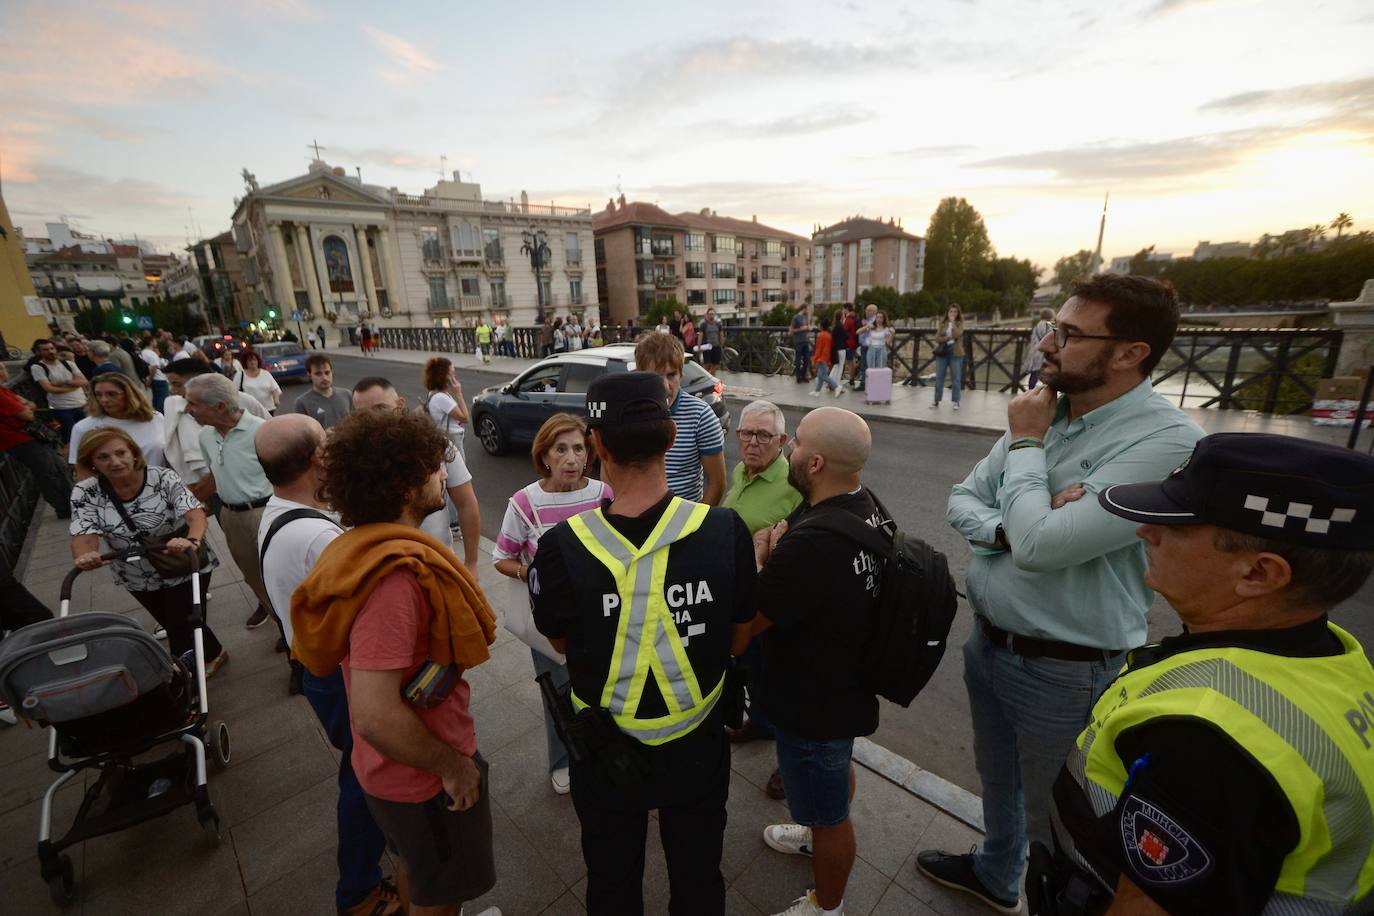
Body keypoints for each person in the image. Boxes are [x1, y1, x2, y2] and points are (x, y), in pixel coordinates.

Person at [918, 274, 1205, 914]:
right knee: (998, 782)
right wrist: (1013, 526)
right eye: (1053, 326)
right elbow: (963, 499)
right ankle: (996, 873)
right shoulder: (1052, 408)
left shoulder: (1163, 441)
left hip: (1065, 669)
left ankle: (1049, 897)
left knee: (1063, 822)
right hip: (989, 644)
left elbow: (1048, 548)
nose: (1047, 343)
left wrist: (1023, 448)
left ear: (1130, 352)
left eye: (1070, 334)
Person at [1034, 433, 1374, 915]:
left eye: (1178, 524)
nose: (1145, 531)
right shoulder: (1335, 657)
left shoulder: (1209, 738)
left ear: (1258, 574)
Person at [531, 371, 757, 915]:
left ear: (597, 444)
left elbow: (559, 641)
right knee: (699, 876)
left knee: (611, 880)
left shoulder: (560, 548)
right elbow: (739, 636)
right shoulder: (727, 531)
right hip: (698, 744)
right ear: (674, 437)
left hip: (604, 750)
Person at [291, 409, 501, 916]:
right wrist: (454, 768)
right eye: (434, 467)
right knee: (440, 896)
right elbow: (375, 714)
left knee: (416, 871)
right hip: (421, 780)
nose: (444, 475)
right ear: (406, 487)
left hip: (391, 774)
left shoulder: (361, 549)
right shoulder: (396, 581)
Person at [253, 414, 403, 916]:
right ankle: (359, 891)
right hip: (338, 676)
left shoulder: (281, 513)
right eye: (326, 441)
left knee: (360, 771)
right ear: (317, 459)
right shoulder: (319, 539)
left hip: (316, 667)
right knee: (364, 776)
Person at [747, 407, 883, 916]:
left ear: (818, 462)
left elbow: (750, 624)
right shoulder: (863, 505)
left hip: (812, 702)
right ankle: (812, 831)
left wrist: (765, 558)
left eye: (796, 443)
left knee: (830, 819)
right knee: (831, 783)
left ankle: (827, 906)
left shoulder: (814, 543)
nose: (789, 450)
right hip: (843, 689)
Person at [492, 413, 612, 795]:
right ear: (544, 455)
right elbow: (501, 557)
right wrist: (531, 575)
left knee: (602, 688)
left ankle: (604, 752)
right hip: (551, 622)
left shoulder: (602, 495)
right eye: (561, 449)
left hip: (602, 615)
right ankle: (563, 760)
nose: (571, 458)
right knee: (559, 694)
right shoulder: (525, 502)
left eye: (578, 448)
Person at [69, 428, 227, 674]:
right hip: (135, 572)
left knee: (179, 628)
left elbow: (196, 515)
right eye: (104, 457)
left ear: (133, 453)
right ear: (92, 462)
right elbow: (83, 532)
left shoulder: (162, 478)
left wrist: (192, 540)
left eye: (121, 453)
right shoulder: (86, 491)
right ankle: (215, 652)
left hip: (180, 561)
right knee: (174, 621)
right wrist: (85, 555)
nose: (115, 462)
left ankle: (187, 682)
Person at [719, 400, 803, 799]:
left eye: (763, 435)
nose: (752, 443)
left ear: (783, 441)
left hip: (771, 609)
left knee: (779, 686)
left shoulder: (795, 486)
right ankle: (760, 725)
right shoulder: (740, 471)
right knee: (752, 673)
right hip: (738, 602)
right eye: (745, 434)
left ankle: (790, 766)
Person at [351, 378, 480, 570]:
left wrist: (472, 563)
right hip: (385, 569)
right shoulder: (351, 461)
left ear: (400, 404)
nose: (374, 419)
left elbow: (466, 503)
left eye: (380, 408)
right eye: (364, 414)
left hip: (439, 565)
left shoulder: (436, 447)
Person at [184, 373, 276, 630]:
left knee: (278, 574)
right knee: (252, 576)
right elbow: (215, 472)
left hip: (266, 513)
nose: (187, 410)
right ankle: (278, 620)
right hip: (230, 516)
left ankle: (296, 634)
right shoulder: (205, 436)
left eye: (193, 403)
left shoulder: (262, 431)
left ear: (220, 406)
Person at [163, 358, 269, 509]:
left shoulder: (243, 401)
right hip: (217, 498)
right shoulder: (173, 407)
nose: (172, 390)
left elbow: (273, 433)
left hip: (259, 502)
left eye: (177, 384)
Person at [634, 332, 726, 505]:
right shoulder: (629, 413)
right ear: (640, 376)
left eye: (671, 375)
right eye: (656, 376)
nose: (665, 385)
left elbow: (717, 484)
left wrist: (696, 525)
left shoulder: (701, 416)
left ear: (681, 375)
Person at [0, 361, 72, 517]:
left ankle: (70, 502)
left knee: (58, 467)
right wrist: (25, 407)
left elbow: (30, 404)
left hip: (28, 437)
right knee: (48, 471)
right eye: (2, 368)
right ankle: (64, 507)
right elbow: (27, 414)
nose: (5, 370)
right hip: (21, 439)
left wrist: (25, 406)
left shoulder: (4, 391)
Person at [68, 373, 166, 472]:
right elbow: (80, 468)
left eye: (112, 394)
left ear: (129, 394)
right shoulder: (84, 427)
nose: (104, 400)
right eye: (98, 394)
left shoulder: (155, 418)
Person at [29, 338, 88, 446]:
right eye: (46, 349)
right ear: (38, 352)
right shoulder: (38, 367)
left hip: (81, 404)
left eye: (52, 348)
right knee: (71, 439)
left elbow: (83, 381)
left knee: (88, 435)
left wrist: (65, 382)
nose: (51, 351)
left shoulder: (68, 364)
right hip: (62, 408)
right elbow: (48, 388)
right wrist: (73, 386)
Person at [423, 357, 469, 460]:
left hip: (447, 438)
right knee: (460, 472)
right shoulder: (441, 398)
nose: (454, 376)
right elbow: (465, 418)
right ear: (443, 376)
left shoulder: (434, 393)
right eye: (452, 373)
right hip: (452, 440)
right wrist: (458, 393)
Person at [294, 354, 353, 429]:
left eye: (327, 373)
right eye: (318, 374)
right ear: (309, 375)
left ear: (332, 372)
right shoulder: (302, 402)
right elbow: (302, 431)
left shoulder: (346, 394)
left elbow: (356, 421)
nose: (324, 378)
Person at [930, 305, 965, 408]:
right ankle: (936, 400)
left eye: (955, 312)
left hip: (956, 353)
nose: (953, 314)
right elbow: (936, 338)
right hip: (943, 353)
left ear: (958, 313)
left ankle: (956, 401)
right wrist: (947, 338)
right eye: (951, 311)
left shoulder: (960, 323)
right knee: (939, 377)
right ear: (947, 313)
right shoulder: (943, 323)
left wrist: (953, 324)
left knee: (956, 378)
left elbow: (958, 334)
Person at [238, 350, 282, 415]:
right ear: (245, 362)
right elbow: (234, 391)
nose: (252, 362)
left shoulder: (266, 374)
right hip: (249, 410)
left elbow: (275, 389)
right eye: (250, 360)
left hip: (268, 409)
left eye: (254, 360)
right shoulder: (240, 375)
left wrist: (276, 399)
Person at [810, 318, 843, 397]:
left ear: (821, 326)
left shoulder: (821, 335)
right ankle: (817, 391)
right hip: (826, 357)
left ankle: (836, 386)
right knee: (821, 374)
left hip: (821, 358)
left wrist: (814, 359)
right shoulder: (828, 335)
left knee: (823, 375)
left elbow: (818, 349)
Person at [1024, 307, 1054, 390]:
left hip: (1035, 351)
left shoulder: (1038, 324)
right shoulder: (1048, 324)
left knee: (1034, 373)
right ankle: (1044, 392)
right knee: (1042, 372)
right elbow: (1050, 337)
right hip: (1042, 352)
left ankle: (1030, 391)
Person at [139, 335, 169, 412]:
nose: (156, 342)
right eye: (154, 341)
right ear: (151, 342)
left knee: (156, 399)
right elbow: (154, 367)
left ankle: (156, 415)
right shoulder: (151, 353)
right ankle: (162, 418)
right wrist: (150, 380)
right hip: (159, 379)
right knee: (162, 401)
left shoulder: (142, 352)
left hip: (152, 379)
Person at [790, 305, 812, 383]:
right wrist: (800, 329)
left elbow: (807, 328)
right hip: (798, 342)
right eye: (807, 310)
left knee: (807, 360)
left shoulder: (805, 317)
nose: (807, 311)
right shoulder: (795, 317)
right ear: (803, 309)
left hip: (805, 341)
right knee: (798, 360)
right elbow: (791, 330)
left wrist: (808, 328)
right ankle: (798, 377)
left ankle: (803, 376)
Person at [697, 308, 723, 372]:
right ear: (707, 315)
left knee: (715, 365)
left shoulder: (718, 324)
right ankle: (705, 377)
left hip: (716, 346)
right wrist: (699, 347)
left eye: (713, 314)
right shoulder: (703, 325)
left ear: (714, 315)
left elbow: (721, 335)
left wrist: (721, 345)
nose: (711, 315)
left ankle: (712, 378)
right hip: (707, 347)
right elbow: (700, 336)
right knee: (707, 364)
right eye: (710, 314)